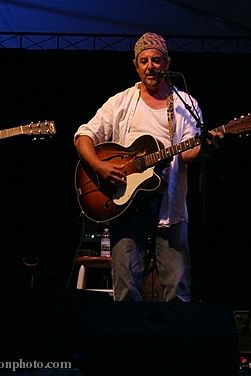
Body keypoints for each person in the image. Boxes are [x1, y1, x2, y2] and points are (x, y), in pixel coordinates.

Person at [74, 32, 221, 302]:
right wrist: (100, 166)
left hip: (170, 207)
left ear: (167, 63)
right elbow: (84, 135)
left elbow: (187, 155)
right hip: (126, 208)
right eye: (143, 61)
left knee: (178, 288)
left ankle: (173, 343)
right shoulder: (121, 102)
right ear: (136, 65)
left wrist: (204, 146)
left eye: (156, 60)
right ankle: (130, 342)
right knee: (126, 286)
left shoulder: (185, 105)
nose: (150, 66)